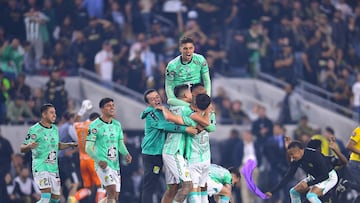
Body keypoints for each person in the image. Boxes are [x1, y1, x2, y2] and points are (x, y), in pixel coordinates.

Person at [140, 89, 198, 203]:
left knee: (159, 185)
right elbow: (164, 126)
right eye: (152, 99)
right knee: (149, 186)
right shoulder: (151, 113)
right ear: (148, 103)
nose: (156, 100)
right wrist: (185, 129)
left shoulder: (162, 111)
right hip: (151, 154)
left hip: (158, 152)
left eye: (157, 97)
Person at [160, 84, 212, 203]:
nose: (193, 94)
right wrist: (207, 111)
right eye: (190, 92)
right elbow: (206, 123)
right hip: (174, 152)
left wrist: (163, 108)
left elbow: (169, 116)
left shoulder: (174, 107)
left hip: (172, 150)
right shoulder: (186, 110)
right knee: (187, 186)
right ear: (185, 95)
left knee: (172, 189)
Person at [20, 103, 78, 203]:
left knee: (55, 199)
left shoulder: (55, 129)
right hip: (41, 167)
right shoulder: (35, 129)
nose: (54, 115)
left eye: (55, 113)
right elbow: (22, 148)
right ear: (44, 114)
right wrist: (29, 146)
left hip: (53, 169)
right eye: (51, 113)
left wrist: (70, 145)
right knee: (46, 197)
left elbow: (57, 145)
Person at [85, 98, 132, 203]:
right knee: (111, 192)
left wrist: (126, 153)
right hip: (103, 165)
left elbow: (120, 143)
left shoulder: (117, 125)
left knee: (115, 197)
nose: (112, 107)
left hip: (115, 165)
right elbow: (88, 148)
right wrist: (99, 161)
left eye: (113, 105)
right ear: (102, 109)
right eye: (108, 105)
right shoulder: (94, 126)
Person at [266, 141, 338, 203]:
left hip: (329, 177)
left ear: (300, 151)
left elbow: (325, 175)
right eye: (290, 155)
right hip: (314, 177)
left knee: (311, 196)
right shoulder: (296, 160)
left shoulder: (314, 155)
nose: (291, 157)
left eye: (292, 154)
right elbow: (287, 177)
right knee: (293, 192)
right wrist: (272, 191)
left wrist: (308, 184)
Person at [165, 36, 211, 106]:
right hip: (181, 97)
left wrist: (207, 97)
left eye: (190, 48)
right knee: (170, 101)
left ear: (194, 48)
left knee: (211, 111)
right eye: (185, 48)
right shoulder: (172, 65)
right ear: (180, 49)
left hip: (196, 96)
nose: (188, 51)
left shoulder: (200, 60)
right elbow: (169, 86)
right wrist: (174, 101)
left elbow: (207, 80)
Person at [73, 112, 106, 203]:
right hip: (92, 160)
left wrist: (81, 111)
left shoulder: (80, 125)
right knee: (101, 186)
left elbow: (74, 122)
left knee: (88, 189)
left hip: (82, 161)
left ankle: (74, 198)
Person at [346, 126, 360, 203]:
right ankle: (346, 184)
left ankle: (346, 184)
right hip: (356, 163)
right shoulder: (359, 130)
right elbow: (349, 145)